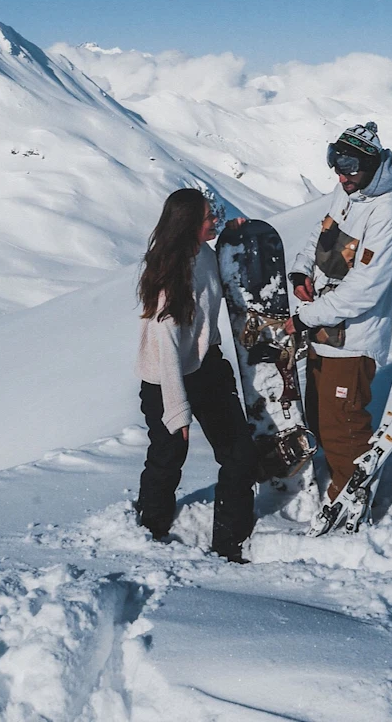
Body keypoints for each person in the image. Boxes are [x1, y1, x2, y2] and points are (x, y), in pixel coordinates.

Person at [285, 122, 392, 501]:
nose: (341, 175)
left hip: (353, 339)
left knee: (343, 425)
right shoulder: (348, 191)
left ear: (372, 166)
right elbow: (320, 234)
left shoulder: (390, 211)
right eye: (336, 164)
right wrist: (300, 271)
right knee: (322, 419)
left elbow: (364, 290)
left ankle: (350, 502)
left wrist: (305, 318)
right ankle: (334, 482)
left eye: (350, 167)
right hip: (323, 330)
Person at [135, 188, 258, 562]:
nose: (214, 221)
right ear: (188, 224)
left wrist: (232, 238)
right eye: (208, 218)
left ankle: (229, 543)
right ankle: (149, 529)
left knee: (239, 454)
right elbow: (165, 348)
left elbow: (218, 274)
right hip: (166, 378)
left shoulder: (202, 252)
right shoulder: (169, 279)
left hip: (208, 367)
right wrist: (177, 409)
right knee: (168, 455)